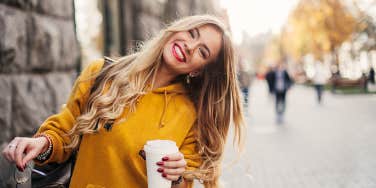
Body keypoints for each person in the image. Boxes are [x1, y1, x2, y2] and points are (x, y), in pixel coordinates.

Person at [2, 15, 244, 188]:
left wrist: (178, 176)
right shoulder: (102, 73)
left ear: (198, 71)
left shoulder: (190, 115)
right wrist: (42, 143)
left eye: (203, 52)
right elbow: (66, 132)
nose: (190, 46)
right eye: (192, 34)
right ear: (178, 29)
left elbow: (183, 181)